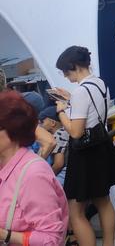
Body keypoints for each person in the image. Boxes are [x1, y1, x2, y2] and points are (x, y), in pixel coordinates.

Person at [55, 46, 115, 246]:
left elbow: (75, 131)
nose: (66, 76)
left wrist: (61, 112)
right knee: (103, 201)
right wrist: (70, 100)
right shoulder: (100, 83)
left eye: (65, 71)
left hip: (84, 154)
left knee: (75, 210)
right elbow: (94, 113)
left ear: (73, 67)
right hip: (101, 147)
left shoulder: (80, 92)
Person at [0, 90, 69, 246]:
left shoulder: (32, 175)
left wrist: (4, 235)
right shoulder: (5, 166)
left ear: (13, 130)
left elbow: (51, 240)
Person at [38, 105, 69, 185]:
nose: (40, 125)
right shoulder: (66, 130)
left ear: (52, 123)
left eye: (42, 122)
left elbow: (59, 164)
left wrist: (49, 178)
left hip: (65, 172)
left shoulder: (59, 135)